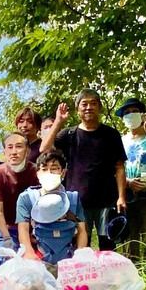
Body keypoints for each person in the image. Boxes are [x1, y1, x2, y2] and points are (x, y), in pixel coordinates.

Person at [42, 89, 127, 251]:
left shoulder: (111, 134)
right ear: (77, 109)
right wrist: (58, 121)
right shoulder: (68, 135)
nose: (89, 107)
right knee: (80, 247)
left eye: (93, 103)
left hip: (107, 200)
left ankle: (108, 269)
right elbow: (44, 149)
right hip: (77, 201)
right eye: (84, 104)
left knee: (108, 246)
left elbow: (119, 167)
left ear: (100, 107)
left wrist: (121, 197)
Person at [17, 150, 87, 267]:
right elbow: (23, 229)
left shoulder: (73, 199)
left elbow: (82, 229)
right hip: (39, 257)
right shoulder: (27, 198)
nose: (49, 173)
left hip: (68, 259)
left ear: (63, 172)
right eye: (44, 169)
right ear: (38, 174)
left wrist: (80, 253)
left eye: (54, 169)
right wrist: (29, 252)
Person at [116, 97, 146, 260]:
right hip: (127, 192)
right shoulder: (120, 141)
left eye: (135, 111)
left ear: (142, 115)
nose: (131, 115)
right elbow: (116, 167)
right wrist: (128, 183)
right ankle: (131, 273)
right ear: (123, 119)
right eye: (127, 113)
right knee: (129, 238)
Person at [0, 132, 40, 254]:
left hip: (33, 228)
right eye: (10, 147)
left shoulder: (37, 172)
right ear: (4, 152)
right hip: (7, 228)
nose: (14, 152)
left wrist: (34, 232)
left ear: (28, 151)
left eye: (19, 146)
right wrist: (6, 238)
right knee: (6, 260)